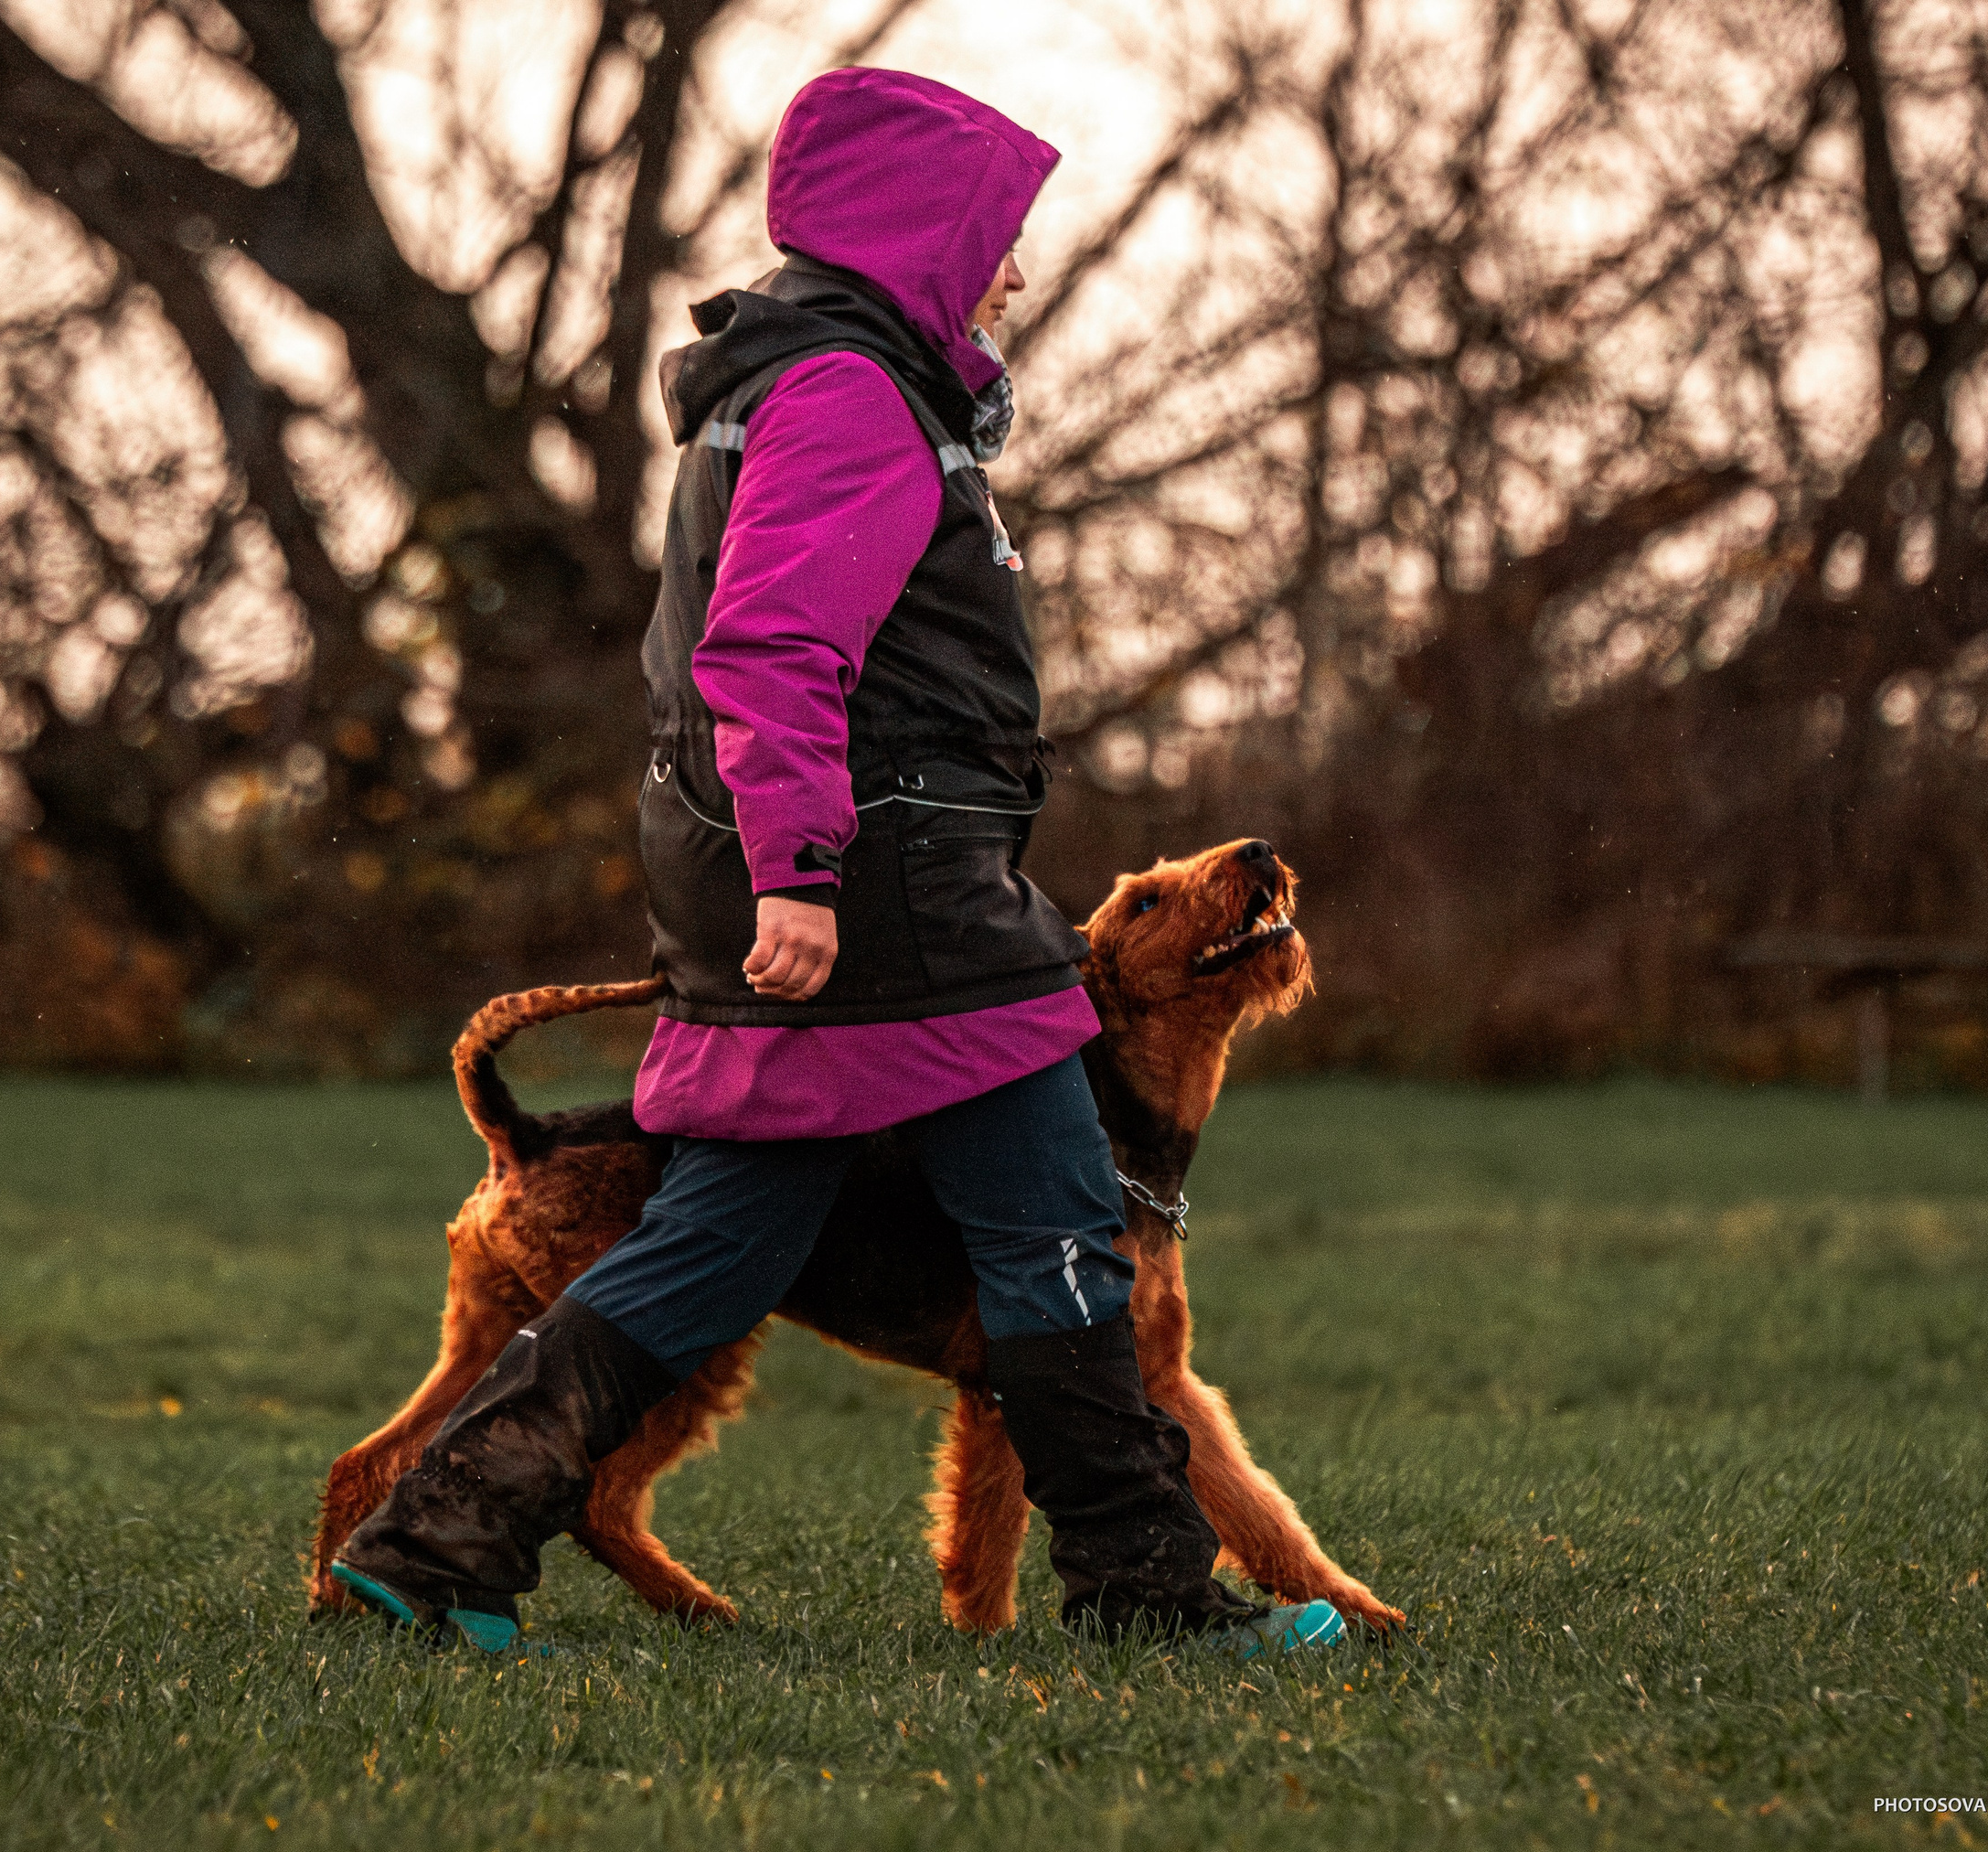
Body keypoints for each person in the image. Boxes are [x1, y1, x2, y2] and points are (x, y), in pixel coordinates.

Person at [330, 68, 1340, 1658]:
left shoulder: (804, 385)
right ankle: (1146, 1598)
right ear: (920, 239)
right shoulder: (852, 395)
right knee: (1057, 1212)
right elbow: (772, 647)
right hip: (886, 890)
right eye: (997, 242)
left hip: (836, 874)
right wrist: (799, 872)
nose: (1016, 274)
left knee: (723, 1235)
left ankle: (429, 1548)